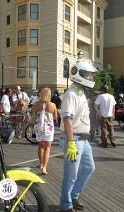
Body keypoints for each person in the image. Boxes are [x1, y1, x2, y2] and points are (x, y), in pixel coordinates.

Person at [59, 61, 97, 211]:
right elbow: (67, 119)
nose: (91, 78)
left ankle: (74, 195)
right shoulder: (71, 94)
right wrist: (71, 143)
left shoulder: (80, 93)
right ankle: (66, 205)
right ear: (79, 74)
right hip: (73, 139)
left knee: (89, 167)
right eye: (89, 75)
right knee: (71, 175)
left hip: (84, 139)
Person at [33, 87, 57, 175]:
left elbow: (35, 113)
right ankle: (44, 167)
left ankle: (41, 163)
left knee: (40, 146)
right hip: (49, 126)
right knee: (48, 147)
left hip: (39, 126)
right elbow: (55, 117)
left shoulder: (37, 104)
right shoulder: (52, 105)